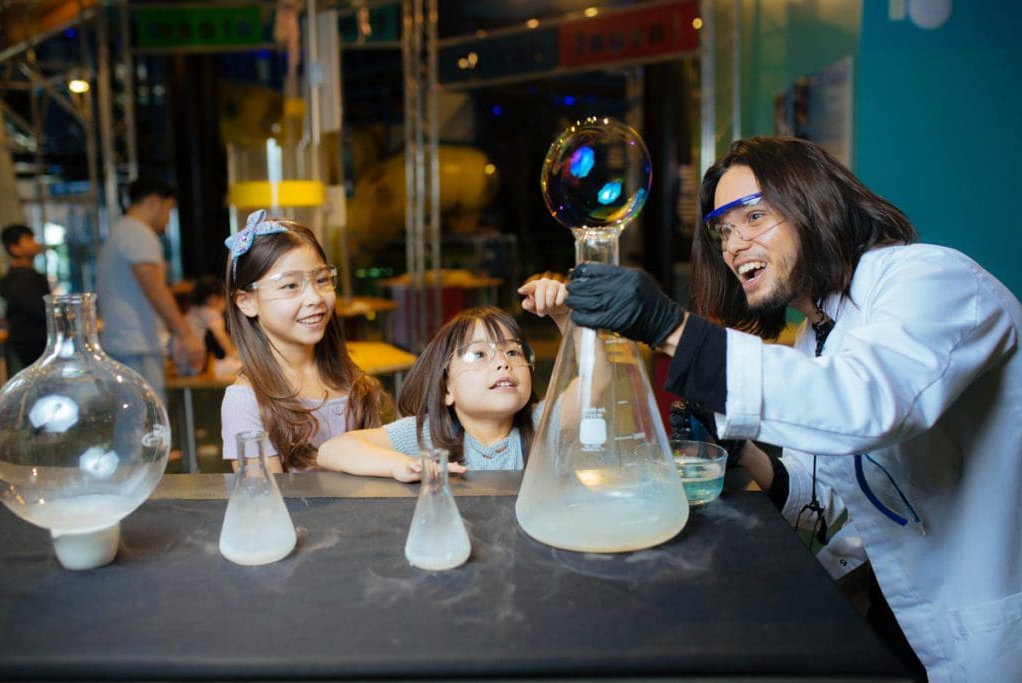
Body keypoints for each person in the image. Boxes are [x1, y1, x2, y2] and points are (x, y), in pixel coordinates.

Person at [565, 136, 1022, 681]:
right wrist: (744, 456)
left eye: (753, 216)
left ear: (813, 202)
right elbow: (837, 506)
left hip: (982, 623)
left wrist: (674, 332)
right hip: (899, 618)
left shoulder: (933, 279)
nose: (733, 247)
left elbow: (869, 405)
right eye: (723, 233)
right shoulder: (815, 336)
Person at [317, 278, 569, 482]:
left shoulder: (543, 425)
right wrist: (402, 464)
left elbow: (596, 386)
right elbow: (332, 451)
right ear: (446, 388)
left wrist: (567, 318)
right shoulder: (427, 436)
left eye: (513, 352)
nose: (503, 362)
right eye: (479, 354)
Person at [221, 209, 391, 473]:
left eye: (322, 280)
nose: (315, 298)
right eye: (290, 286)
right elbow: (266, 504)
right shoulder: (246, 400)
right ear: (247, 301)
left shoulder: (352, 382)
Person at [96, 176, 205, 401]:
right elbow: (154, 287)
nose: (168, 219)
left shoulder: (121, 232)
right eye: (168, 209)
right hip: (136, 346)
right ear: (154, 203)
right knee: (147, 423)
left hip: (124, 344)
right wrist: (186, 334)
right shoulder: (138, 233)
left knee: (135, 421)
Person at [0, 224, 50, 367]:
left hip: (30, 340)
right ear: (14, 248)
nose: (35, 243)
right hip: (30, 342)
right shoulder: (20, 278)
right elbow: (38, 309)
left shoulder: (22, 276)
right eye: (28, 239)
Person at [172, 275, 239, 377]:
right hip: (195, 360)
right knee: (239, 367)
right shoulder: (211, 313)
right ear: (213, 299)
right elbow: (221, 337)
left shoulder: (192, 311)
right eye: (224, 299)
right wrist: (233, 354)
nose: (225, 304)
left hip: (179, 362)